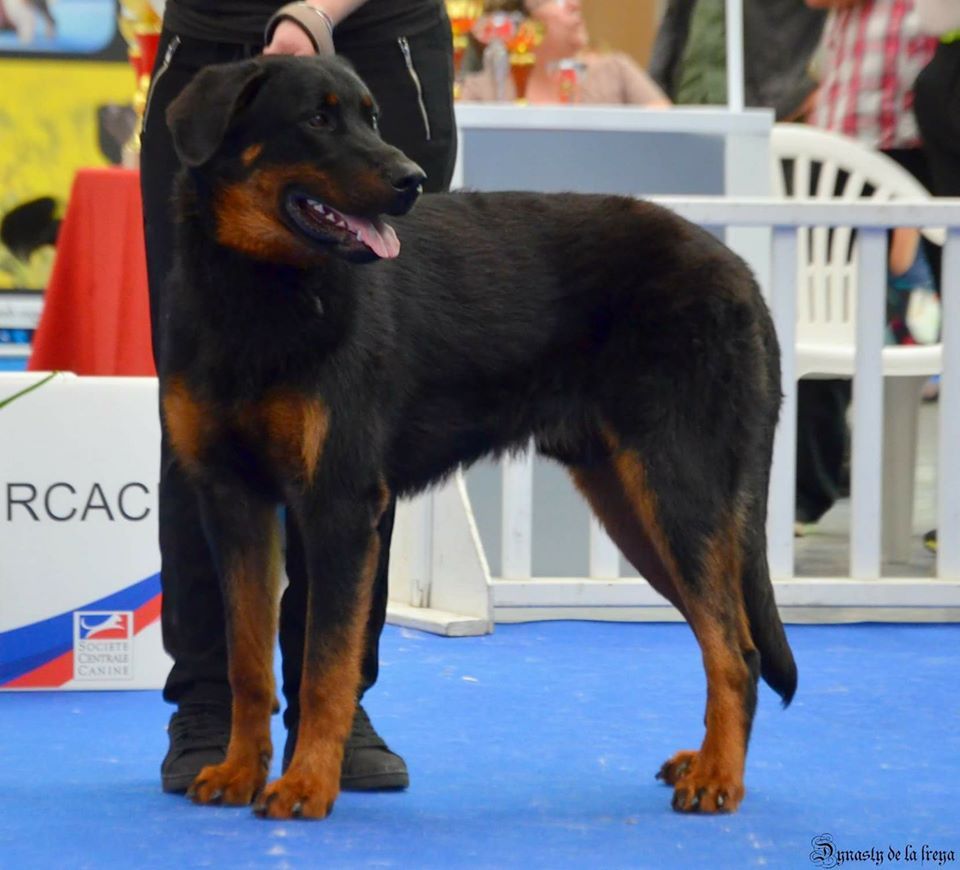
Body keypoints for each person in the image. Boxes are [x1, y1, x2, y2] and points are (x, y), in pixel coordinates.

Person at [140, 0, 456, 794]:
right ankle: (211, 709)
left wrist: (313, 12)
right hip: (207, 37)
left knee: (352, 445)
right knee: (204, 441)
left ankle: (335, 718)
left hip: (374, 34)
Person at [794, 0, 938, 534]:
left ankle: (925, 509)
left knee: (921, 335)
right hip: (844, 149)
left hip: (916, 150)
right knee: (819, 321)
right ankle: (806, 492)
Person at [461, 0, 669, 104]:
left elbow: (671, 134)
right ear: (519, 22)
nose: (574, 5)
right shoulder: (482, 92)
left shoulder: (615, 73)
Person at [649, 0, 826, 120]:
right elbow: (673, 21)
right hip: (686, 105)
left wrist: (808, 89)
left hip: (770, 110)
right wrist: (653, 89)